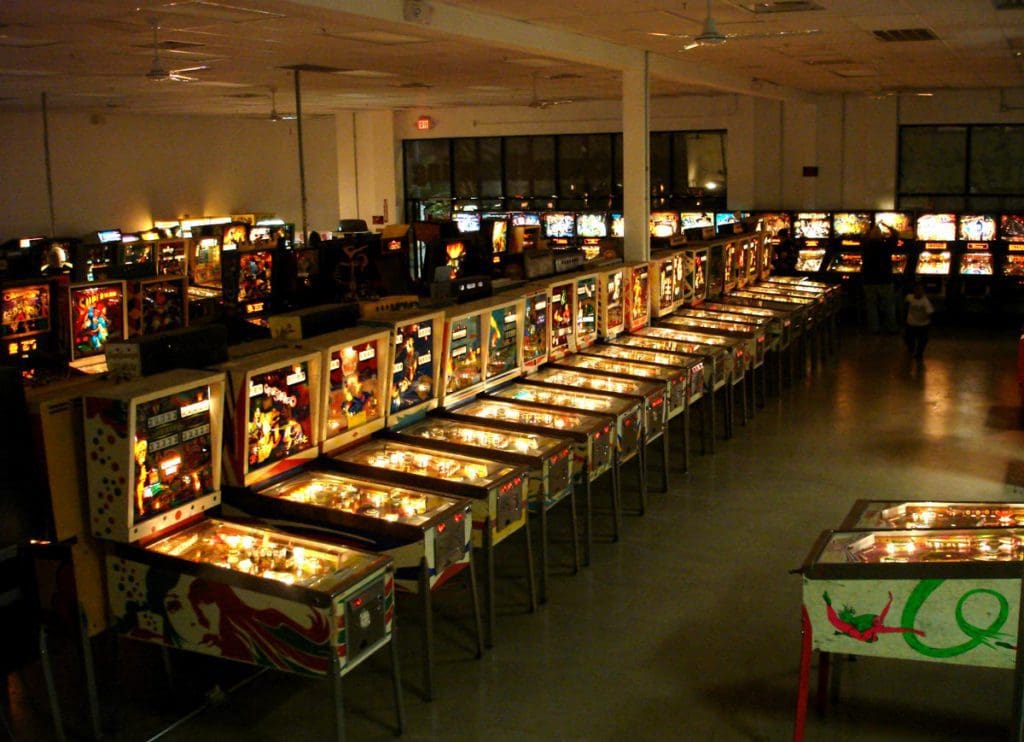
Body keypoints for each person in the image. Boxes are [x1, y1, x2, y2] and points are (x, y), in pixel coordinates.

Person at [861, 224, 896, 333]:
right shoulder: (886, 246)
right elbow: (896, 235)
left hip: (869, 280)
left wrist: (868, 230)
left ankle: (874, 328)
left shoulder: (865, 246)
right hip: (885, 279)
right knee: (889, 304)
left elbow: (862, 237)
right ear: (881, 236)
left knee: (871, 305)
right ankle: (891, 327)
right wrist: (887, 226)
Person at [904, 283, 934, 360]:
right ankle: (912, 349)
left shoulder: (925, 302)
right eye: (917, 289)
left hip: (922, 325)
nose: (918, 292)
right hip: (911, 323)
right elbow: (906, 305)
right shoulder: (909, 297)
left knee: (922, 341)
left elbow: (930, 313)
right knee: (909, 338)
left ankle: (919, 353)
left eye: (920, 290)